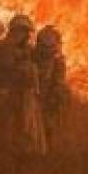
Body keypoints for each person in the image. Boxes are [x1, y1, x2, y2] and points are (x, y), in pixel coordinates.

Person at [0, 14, 47, 157]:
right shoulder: (2, 50)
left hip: (24, 98)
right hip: (5, 96)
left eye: (26, 33)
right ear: (13, 31)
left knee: (25, 132)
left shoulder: (27, 50)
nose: (24, 36)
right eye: (21, 31)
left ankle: (22, 159)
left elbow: (38, 67)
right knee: (2, 132)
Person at [33, 24, 71, 153]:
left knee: (48, 132)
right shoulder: (30, 57)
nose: (47, 49)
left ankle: (44, 159)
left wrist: (57, 97)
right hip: (31, 102)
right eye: (45, 46)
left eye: (50, 46)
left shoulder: (58, 62)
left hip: (47, 103)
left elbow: (59, 83)